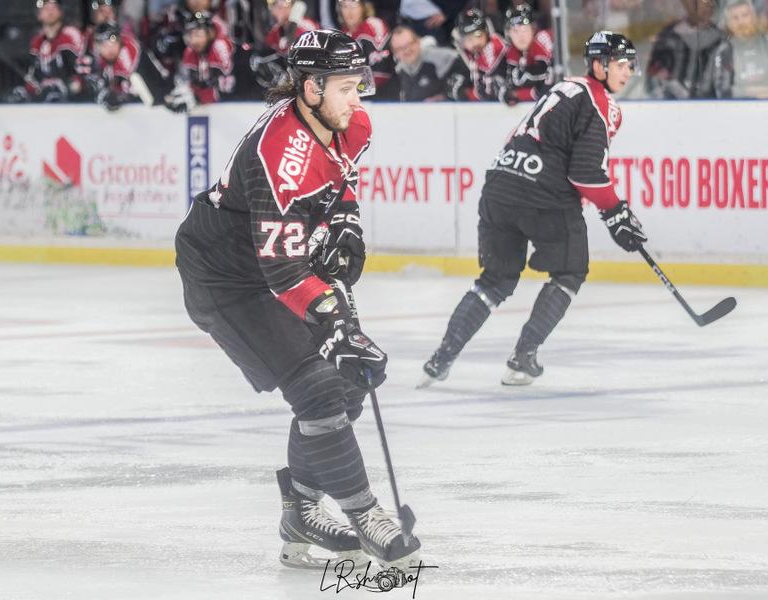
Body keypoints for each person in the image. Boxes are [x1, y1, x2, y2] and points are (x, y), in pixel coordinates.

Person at [174, 29, 421, 568]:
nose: (358, 98)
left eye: (358, 84)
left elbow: (340, 177)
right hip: (225, 275)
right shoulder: (280, 155)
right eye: (346, 87)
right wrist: (336, 324)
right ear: (311, 88)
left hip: (272, 255)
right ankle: (365, 514)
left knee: (347, 380)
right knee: (318, 387)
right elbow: (283, 271)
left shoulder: (349, 121)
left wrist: (346, 223)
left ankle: (301, 510)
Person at [420, 31, 647, 388]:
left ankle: (440, 359)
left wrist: (610, 211)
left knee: (495, 280)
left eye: (630, 65)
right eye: (621, 64)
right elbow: (585, 174)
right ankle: (522, 360)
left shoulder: (563, 87)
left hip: (500, 185)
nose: (628, 72)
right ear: (599, 65)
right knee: (570, 271)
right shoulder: (602, 103)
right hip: (542, 195)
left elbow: (517, 137)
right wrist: (616, 212)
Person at [0, 0, 85, 103]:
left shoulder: (71, 34)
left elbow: (80, 69)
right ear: (38, 15)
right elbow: (33, 75)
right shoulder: (37, 41)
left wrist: (72, 85)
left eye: (54, 8)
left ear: (61, 12)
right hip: (46, 96)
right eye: (45, 8)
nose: (50, 12)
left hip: (72, 97)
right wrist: (28, 90)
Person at [711, 0, 768, 98]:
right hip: (739, 106)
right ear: (728, 24)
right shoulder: (724, 51)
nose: (741, 22)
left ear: (754, 18)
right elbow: (722, 89)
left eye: (745, 15)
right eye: (735, 18)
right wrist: (751, 93)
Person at [645, 0, 723, 99]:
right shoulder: (669, 35)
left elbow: (722, 81)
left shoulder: (719, 38)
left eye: (711, 3)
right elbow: (654, 78)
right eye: (703, 2)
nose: (708, 6)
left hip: (709, 103)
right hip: (672, 103)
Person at [83, 22, 170, 110]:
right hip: (144, 104)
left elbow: (123, 86)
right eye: (104, 45)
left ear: (120, 42)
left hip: (160, 98)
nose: (109, 50)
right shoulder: (96, 55)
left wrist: (113, 93)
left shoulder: (129, 50)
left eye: (113, 44)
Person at [165, 11, 235, 111]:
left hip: (236, 109)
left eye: (198, 35)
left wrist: (196, 99)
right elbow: (189, 81)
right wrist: (182, 93)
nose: (194, 40)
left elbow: (228, 87)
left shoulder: (219, 46)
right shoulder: (190, 51)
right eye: (190, 35)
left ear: (211, 33)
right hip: (215, 109)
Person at [390, 24, 467, 101]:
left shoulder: (441, 57)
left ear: (418, 42)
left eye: (409, 44)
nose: (407, 50)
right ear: (395, 53)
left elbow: (466, 76)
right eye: (400, 48)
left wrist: (443, 98)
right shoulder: (398, 71)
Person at [449, 7, 509, 102]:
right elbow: (454, 90)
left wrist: (468, 93)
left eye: (478, 35)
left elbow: (492, 91)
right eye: (468, 38)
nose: (475, 42)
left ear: (487, 32)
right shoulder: (462, 57)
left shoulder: (501, 49)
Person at [501, 3, 554, 104]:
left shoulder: (541, 38)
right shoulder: (512, 50)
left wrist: (518, 94)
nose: (520, 36)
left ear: (533, 29)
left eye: (524, 29)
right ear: (509, 33)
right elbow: (510, 87)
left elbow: (547, 85)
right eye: (515, 31)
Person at [337, 0, 394, 92]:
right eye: (344, 6)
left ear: (363, 6)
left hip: (381, 93)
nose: (349, 11)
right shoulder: (343, 34)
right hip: (355, 92)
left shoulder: (373, 25)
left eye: (354, 5)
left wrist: (355, 89)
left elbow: (381, 72)